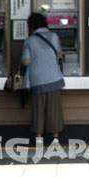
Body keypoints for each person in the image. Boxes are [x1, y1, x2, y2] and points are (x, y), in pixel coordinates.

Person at [21, 12, 65, 146]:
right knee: (54, 109)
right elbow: (59, 55)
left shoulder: (29, 40)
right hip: (54, 78)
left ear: (31, 26)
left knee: (38, 109)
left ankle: (39, 139)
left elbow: (26, 61)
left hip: (37, 80)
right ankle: (55, 139)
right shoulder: (54, 36)